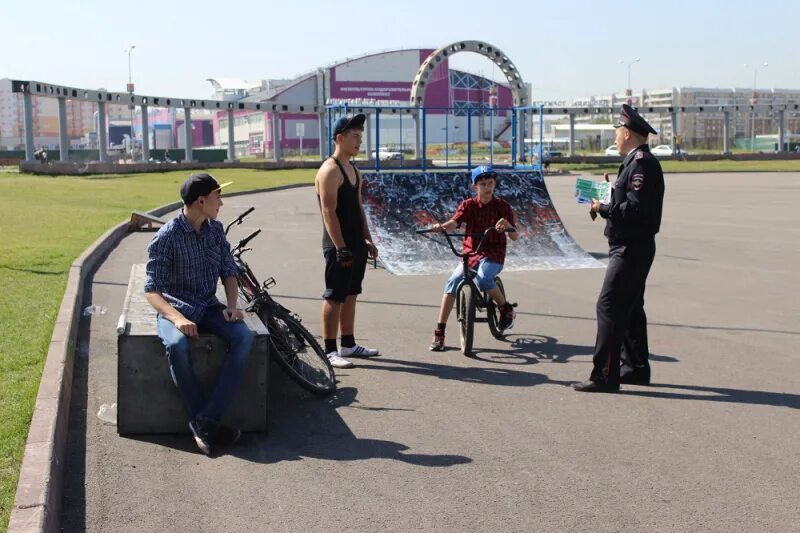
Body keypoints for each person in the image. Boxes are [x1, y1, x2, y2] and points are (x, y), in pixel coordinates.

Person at [144, 172, 254, 455]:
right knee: (177, 345)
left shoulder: (215, 231)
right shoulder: (166, 237)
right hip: (175, 308)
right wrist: (178, 318)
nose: (222, 203)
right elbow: (152, 291)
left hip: (209, 305)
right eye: (218, 197)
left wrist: (232, 305)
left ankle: (205, 420)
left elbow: (229, 270)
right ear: (201, 201)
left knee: (244, 337)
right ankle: (206, 422)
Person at [574, 104, 665, 392]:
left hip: (630, 247)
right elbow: (629, 202)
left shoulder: (641, 164)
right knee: (631, 307)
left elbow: (636, 209)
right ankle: (635, 367)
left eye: (616, 132)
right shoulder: (634, 162)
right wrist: (608, 197)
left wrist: (606, 206)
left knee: (609, 306)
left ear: (626, 132)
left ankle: (605, 374)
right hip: (630, 245)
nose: (614, 137)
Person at [428, 166, 519, 351]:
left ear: (494, 185)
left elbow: (515, 236)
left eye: (490, 183)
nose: (487, 188)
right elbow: (455, 222)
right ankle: (440, 332)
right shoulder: (468, 205)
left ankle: (505, 308)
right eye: (483, 184)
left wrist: (508, 226)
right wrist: (441, 227)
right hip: (471, 252)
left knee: (484, 278)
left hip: (494, 253)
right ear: (475, 186)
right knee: (452, 282)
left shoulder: (503, 207)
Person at [315, 114, 380, 369]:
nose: (359, 142)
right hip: (337, 245)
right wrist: (340, 247)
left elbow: (358, 208)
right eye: (355, 137)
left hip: (355, 242)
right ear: (340, 138)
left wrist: (367, 238)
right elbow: (328, 212)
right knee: (334, 296)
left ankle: (349, 344)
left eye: (360, 137)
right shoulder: (330, 170)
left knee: (352, 294)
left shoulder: (354, 170)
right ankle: (329, 350)